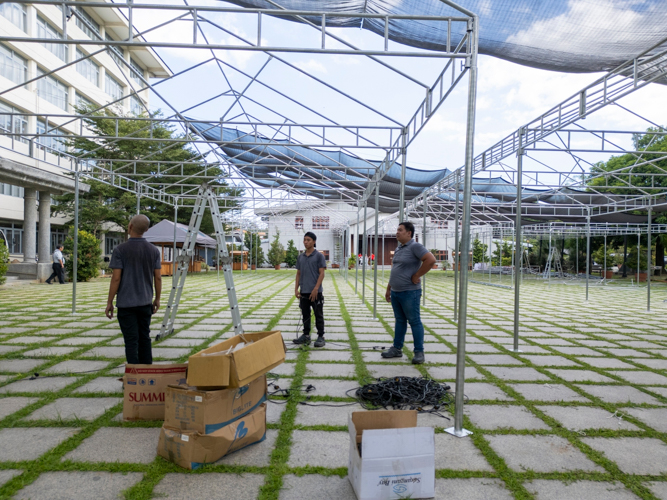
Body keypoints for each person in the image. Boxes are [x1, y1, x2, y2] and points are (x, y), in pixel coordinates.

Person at [105, 215, 162, 365]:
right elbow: (158, 278)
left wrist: (109, 302)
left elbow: (116, 278)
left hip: (126, 304)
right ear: (146, 230)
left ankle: (134, 376)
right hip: (145, 302)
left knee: (131, 340)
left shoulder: (120, 250)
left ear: (130, 227)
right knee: (145, 337)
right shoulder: (154, 251)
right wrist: (157, 298)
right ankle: (147, 373)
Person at [382, 221, 435, 364]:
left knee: (414, 321)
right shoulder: (399, 248)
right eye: (397, 230)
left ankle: (419, 352)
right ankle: (397, 348)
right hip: (396, 291)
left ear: (408, 233)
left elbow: (430, 260)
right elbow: (396, 270)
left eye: (400, 230)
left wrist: (417, 275)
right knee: (400, 321)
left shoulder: (415, 246)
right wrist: (389, 289)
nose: (397, 232)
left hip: (410, 292)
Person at [294, 231, 326, 347]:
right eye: (304, 240)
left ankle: (321, 336)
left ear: (314, 241)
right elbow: (298, 273)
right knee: (305, 314)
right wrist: (296, 289)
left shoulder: (319, 256)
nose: (305, 242)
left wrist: (316, 289)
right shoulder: (301, 257)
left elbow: (322, 273)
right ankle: (306, 335)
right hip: (304, 292)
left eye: (308, 240)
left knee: (318, 314)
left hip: (316, 292)